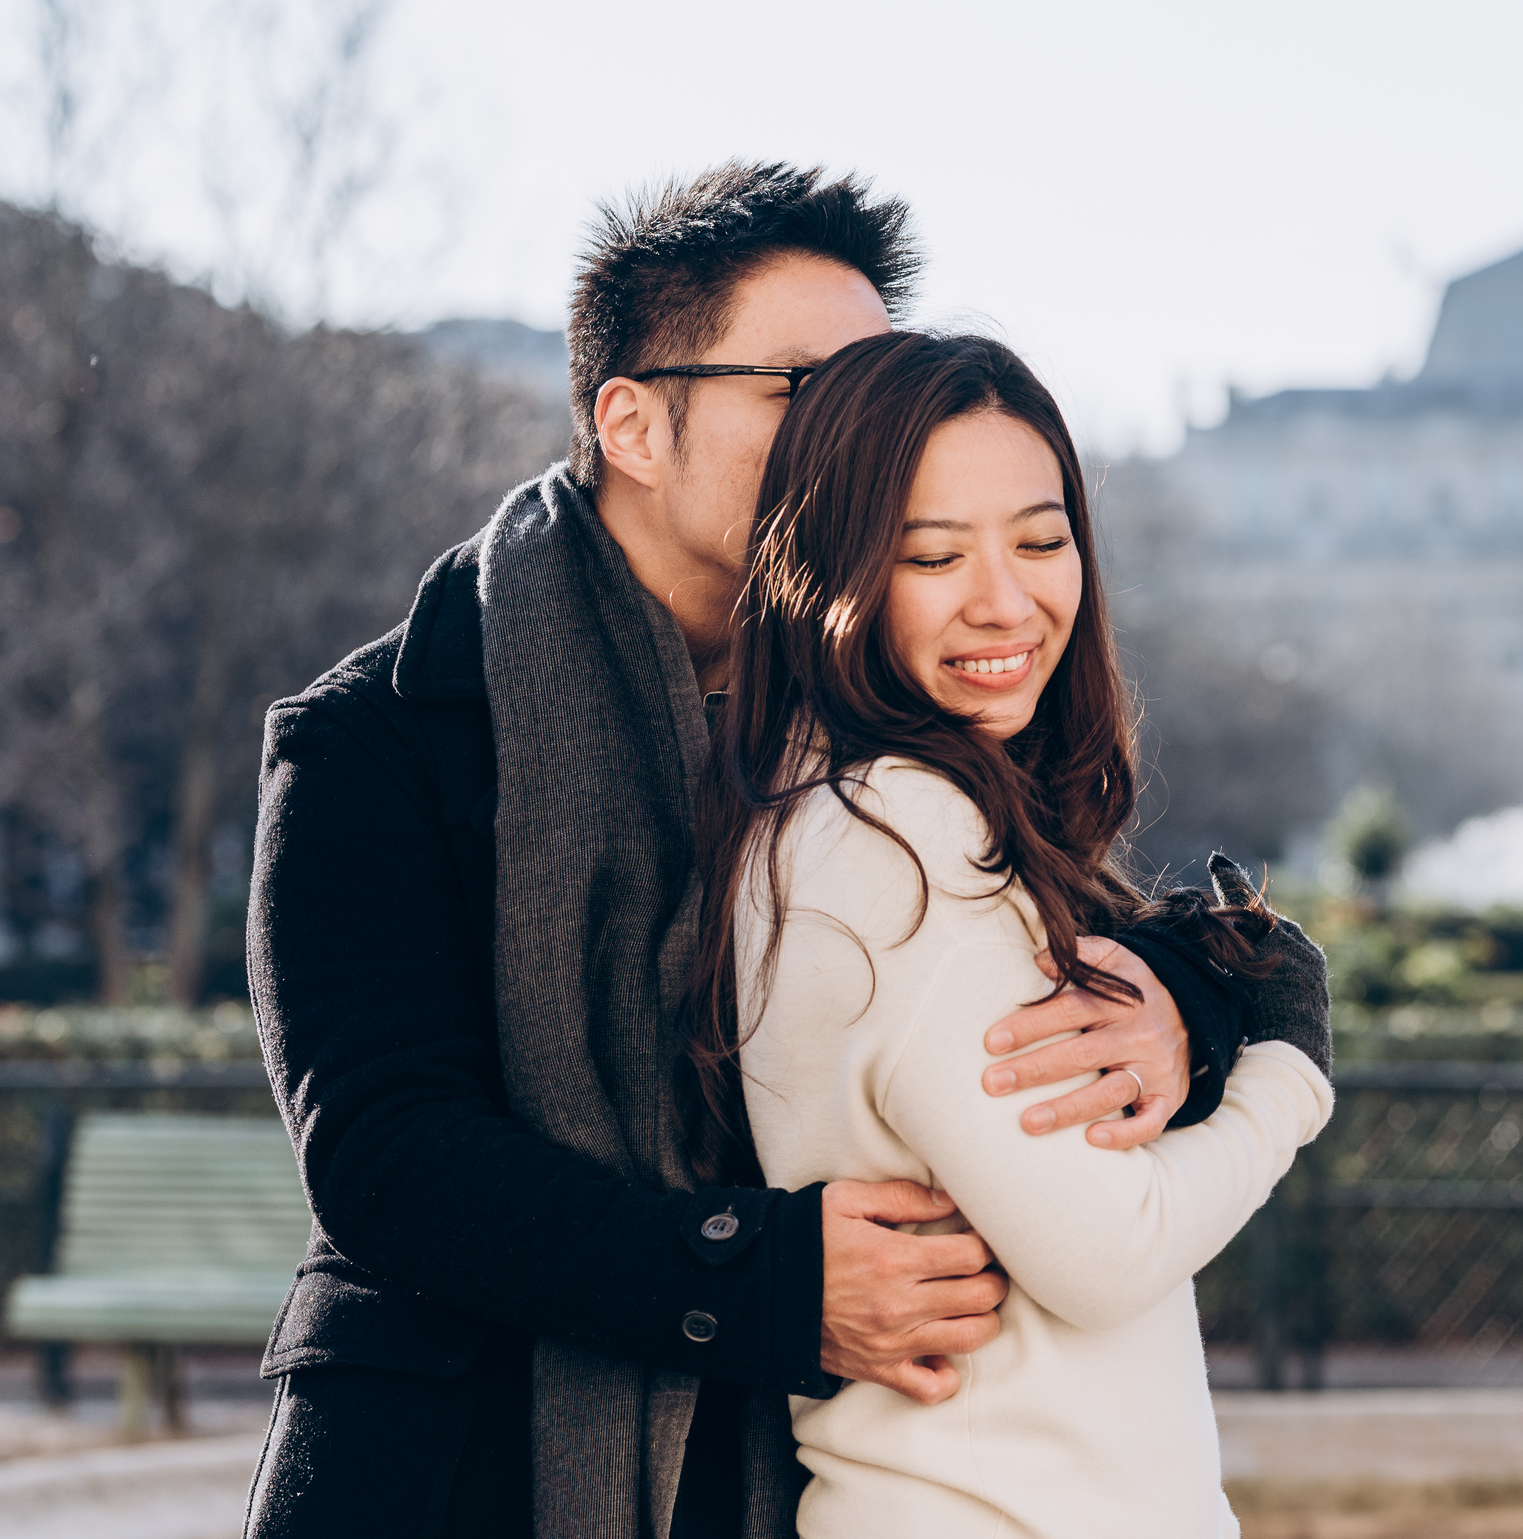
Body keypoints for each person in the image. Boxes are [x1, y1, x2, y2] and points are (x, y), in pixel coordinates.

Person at [242, 161, 1328, 1538]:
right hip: (460, 1462)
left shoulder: (879, 710)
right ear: (632, 421)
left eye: (880, 385)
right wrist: (765, 1279)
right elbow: (389, 1157)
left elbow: (1025, 934)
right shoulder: (379, 739)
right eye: (808, 392)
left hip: (757, 1474)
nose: (869, 434)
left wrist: (1200, 1007)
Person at [691, 328, 1331, 1536]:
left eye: (1042, 540)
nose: (1006, 598)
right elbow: (1107, 1252)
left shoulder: (824, 813)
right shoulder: (904, 839)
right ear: (833, 571)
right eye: (932, 555)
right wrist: (1287, 1069)